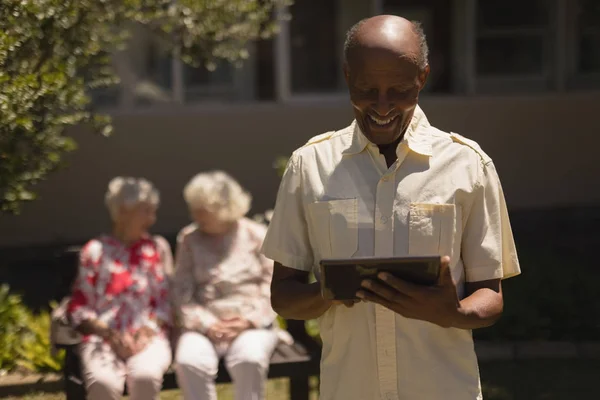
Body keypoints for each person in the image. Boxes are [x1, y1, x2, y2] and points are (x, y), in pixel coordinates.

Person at [262, 15, 521, 400]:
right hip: (349, 389)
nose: (382, 106)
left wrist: (452, 312)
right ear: (348, 76)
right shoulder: (308, 166)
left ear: (423, 78)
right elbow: (283, 295)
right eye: (367, 88)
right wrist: (328, 294)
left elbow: (491, 295)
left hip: (444, 389)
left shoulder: (469, 165)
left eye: (399, 90)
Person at [173, 171, 280, 400]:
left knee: (249, 359)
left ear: (225, 207)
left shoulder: (256, 235)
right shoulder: (188, 239)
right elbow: (181, 291)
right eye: (194, 207)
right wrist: (207, 324)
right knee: (188, 361)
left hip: (251, 323)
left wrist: (248, 320)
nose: (195, 214)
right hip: (203, 324)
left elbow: (272, 285)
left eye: (203, 208)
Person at [67, 177, 173, 400]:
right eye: (146, 211)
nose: (152, 219)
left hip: (148, 336)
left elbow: (166, 301)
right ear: (124, 211)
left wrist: (146, 330)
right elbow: (79, 306)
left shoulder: (156, 248)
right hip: (102, 338)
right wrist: (109, 334)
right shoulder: (95, 251)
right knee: (102, 383)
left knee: (145, 376)